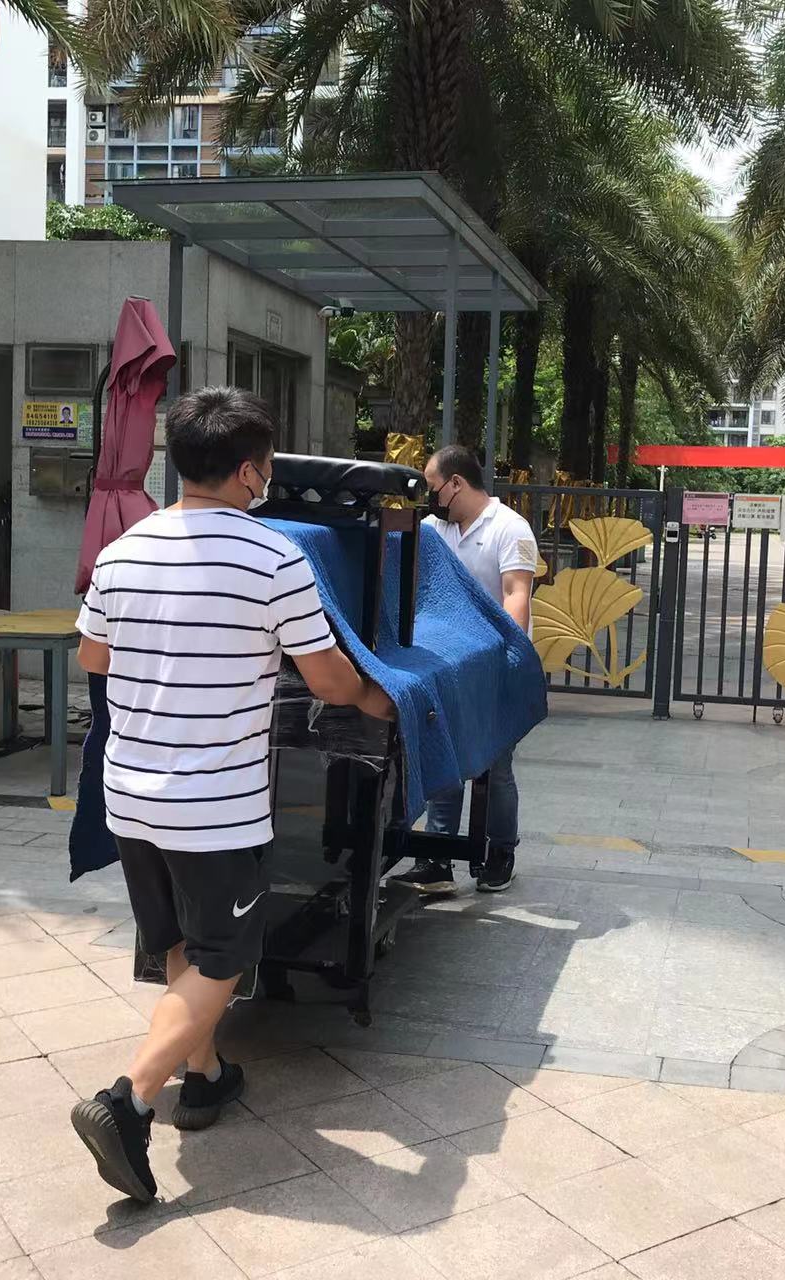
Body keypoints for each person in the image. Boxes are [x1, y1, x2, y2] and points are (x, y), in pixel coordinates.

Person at [71, 386, 393, 1203]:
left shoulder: (123, 550)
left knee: (182, 943)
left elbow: (92, 657)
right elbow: (328, 678)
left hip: (130, 794)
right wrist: (381, 699)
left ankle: (207, 1074)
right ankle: (128, 1100)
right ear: (250, 471)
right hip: (213, 804)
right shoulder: (273, 558)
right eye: (267, 466)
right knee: (226, 957)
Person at [391, 444, 535, 896]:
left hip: (494, 663)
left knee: (495, 766)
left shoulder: (510, 528)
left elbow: (516, 594)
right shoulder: (433, 529)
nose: (430, 499)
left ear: (456, 483)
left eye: (433, 488)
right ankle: (436, 858)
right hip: (446, 666)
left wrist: (506, 656)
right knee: (444, 757)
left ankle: (499, 852)